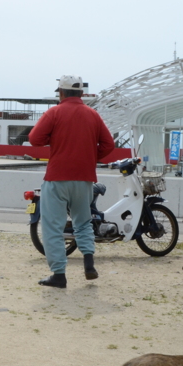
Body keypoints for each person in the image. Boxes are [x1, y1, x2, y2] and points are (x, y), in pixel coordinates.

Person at [28, 75, 115, 288]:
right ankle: (88, 263)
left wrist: (53, 139)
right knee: (83, 221)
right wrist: (89, 157)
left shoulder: (55, 112)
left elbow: (34, 139)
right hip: (84, 178)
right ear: (82, 94)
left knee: (52, 227)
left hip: (57, 178)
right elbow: (108, 144)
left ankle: (59, 274)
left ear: (61, 92)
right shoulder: (92, 115)